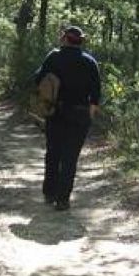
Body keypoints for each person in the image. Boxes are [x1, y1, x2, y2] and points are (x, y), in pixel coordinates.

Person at [34, 25, 101, 211]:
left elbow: (37, 80)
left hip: (56, 112)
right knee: (70, 158)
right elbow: (95, 96)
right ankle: (63, 199)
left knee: (53, 153)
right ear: (81, 41)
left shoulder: (53, 57)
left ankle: (49, 192)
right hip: (80, 114)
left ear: (64, 38)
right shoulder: (90, 62)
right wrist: (90, 117)